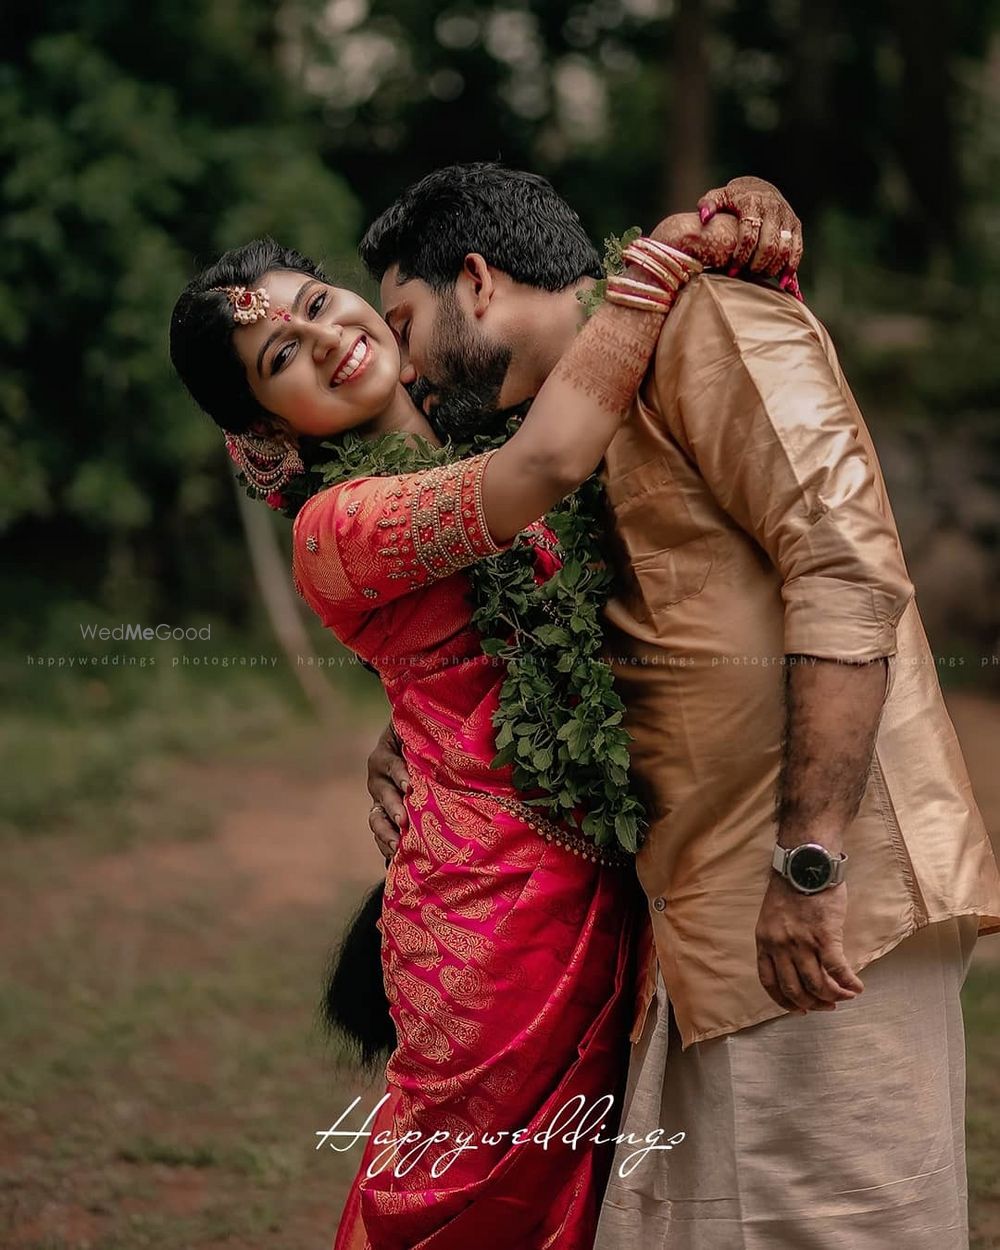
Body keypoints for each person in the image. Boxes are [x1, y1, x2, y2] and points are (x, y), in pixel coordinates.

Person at [363, 163, 1000, 1249]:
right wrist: (403, 731)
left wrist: (809, 861)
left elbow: (845, 569)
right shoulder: (568, 419)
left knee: (836, 1226)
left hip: (824, 899)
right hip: (702, 916)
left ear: (474, 283)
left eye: (404, 322)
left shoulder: (711, 314)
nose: (405, 368)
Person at [168, 190, 789, 1250]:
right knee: (456, 1203)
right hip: (485, 920)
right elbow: (542, 472)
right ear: (265, 429)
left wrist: (755, 215)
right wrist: (655, 262)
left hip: (614, 872)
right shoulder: (337, 525)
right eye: (280, 357)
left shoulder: (487, 412)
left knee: (586, 1201)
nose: (326, 337)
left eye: (317, 302)